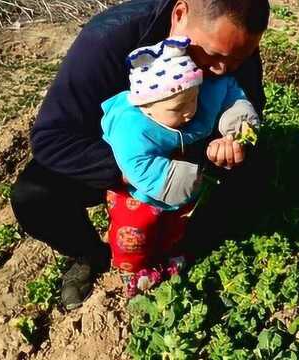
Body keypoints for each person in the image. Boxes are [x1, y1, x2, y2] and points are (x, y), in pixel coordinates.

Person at [10, 0, 270, 310]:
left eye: (239, 58)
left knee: (255, 174)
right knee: (33, 197)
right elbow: (51, 138)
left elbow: (250, 102)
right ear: (179, 14)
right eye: (213, 56)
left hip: (196, 150)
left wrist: (233, 141)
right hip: (122, 153)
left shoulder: (231, 44)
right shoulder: (107, 40)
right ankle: (90, 255)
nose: (223, 69)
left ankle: (184, 246)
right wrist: (137, 172)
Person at [101, 36, 260, 294]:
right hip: (137, 194)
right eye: (178, 107)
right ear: (147, 107)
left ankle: (168, 254)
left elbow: (228, 93)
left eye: (193, 99)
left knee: (176, 225)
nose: (189, 112)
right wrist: (184, 179)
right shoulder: (131, 126)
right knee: (134, 235)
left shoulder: (192, 97)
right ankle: (135, 269)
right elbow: (138, 165)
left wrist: (236, 129)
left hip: (183, 185)